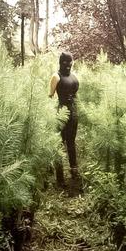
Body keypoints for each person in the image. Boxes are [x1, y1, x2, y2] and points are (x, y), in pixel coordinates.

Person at [49, 52, 80, 187]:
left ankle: (74, 171)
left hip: (73, 113)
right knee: (59, 143)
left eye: (71, 62)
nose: (69, 65)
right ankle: (60, 177)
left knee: (71, 142)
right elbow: (50, 96)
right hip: (61, 113)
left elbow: (75, 96)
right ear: (62, 62)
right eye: (67, 62)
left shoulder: (74, 76)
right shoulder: (56, 76)